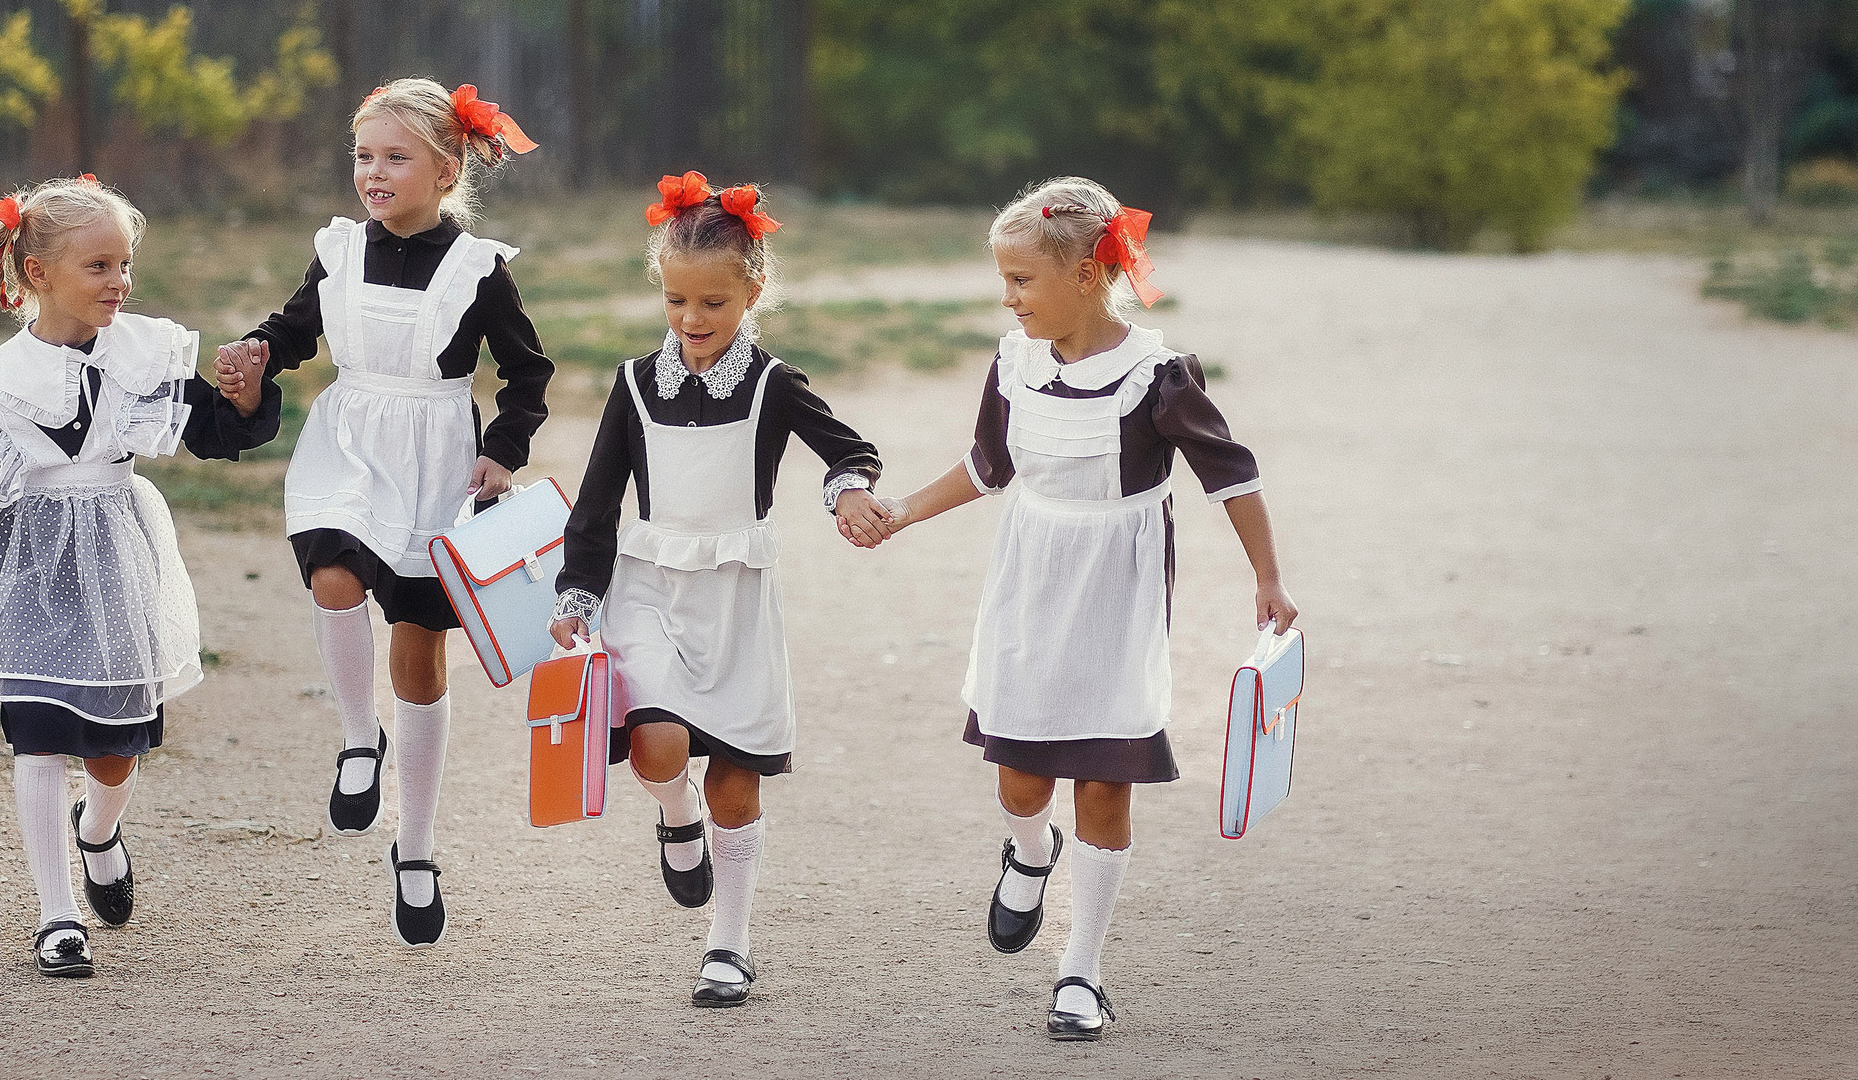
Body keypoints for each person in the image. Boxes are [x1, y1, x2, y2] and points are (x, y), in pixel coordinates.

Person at [849, 176, 1297, 1041]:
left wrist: (1267, 578)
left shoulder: (1157, 379)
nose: (1009, 299)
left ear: (1089, 275)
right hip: (1029, 584)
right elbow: (988, 464)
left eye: (1022, 281)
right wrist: (901, 511)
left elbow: (1233, 478)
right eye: (1004, 282)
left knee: (1103, 782)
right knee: (1023, 779)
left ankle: (1081, 972)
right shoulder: (1013, 365)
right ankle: (1029, 849)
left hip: (1118, 597)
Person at [0, 175, 278, 980]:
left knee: (114, 753)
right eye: (100, 267)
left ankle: (100, 831)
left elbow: (213, 433)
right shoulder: (1, 390)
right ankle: (55, 914)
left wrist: (245, 403)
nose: (120, 282)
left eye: (125, 264)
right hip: (26, 570)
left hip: (115, 557)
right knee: (37, 736)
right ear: (38, 274)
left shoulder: (142, 355)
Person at [218, 79, 552, 946]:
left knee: (418, 649)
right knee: (332, 568)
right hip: (352, 441)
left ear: (446, 170)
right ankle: (356, 740)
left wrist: (502, 450)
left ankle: (417, 844)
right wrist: (257, 354)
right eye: (364, 156)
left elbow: (527, 375)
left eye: (396, 157)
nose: (374, 172)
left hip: (437, 456)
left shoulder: (479, 269)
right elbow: (294, 331)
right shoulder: (336, 251)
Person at [547, 173, 889, 1008]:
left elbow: (849, 448)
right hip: (652, 591)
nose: (693, 320)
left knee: (736, 780)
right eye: (675, 301)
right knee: (659, 748)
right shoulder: (632, 386)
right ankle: (673, 817)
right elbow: (595, 508)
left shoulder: (773, 383)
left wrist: (847, 491)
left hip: (737, 600)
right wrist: (575, 599)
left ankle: (728, 946)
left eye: (712, 302)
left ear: (752, 290)